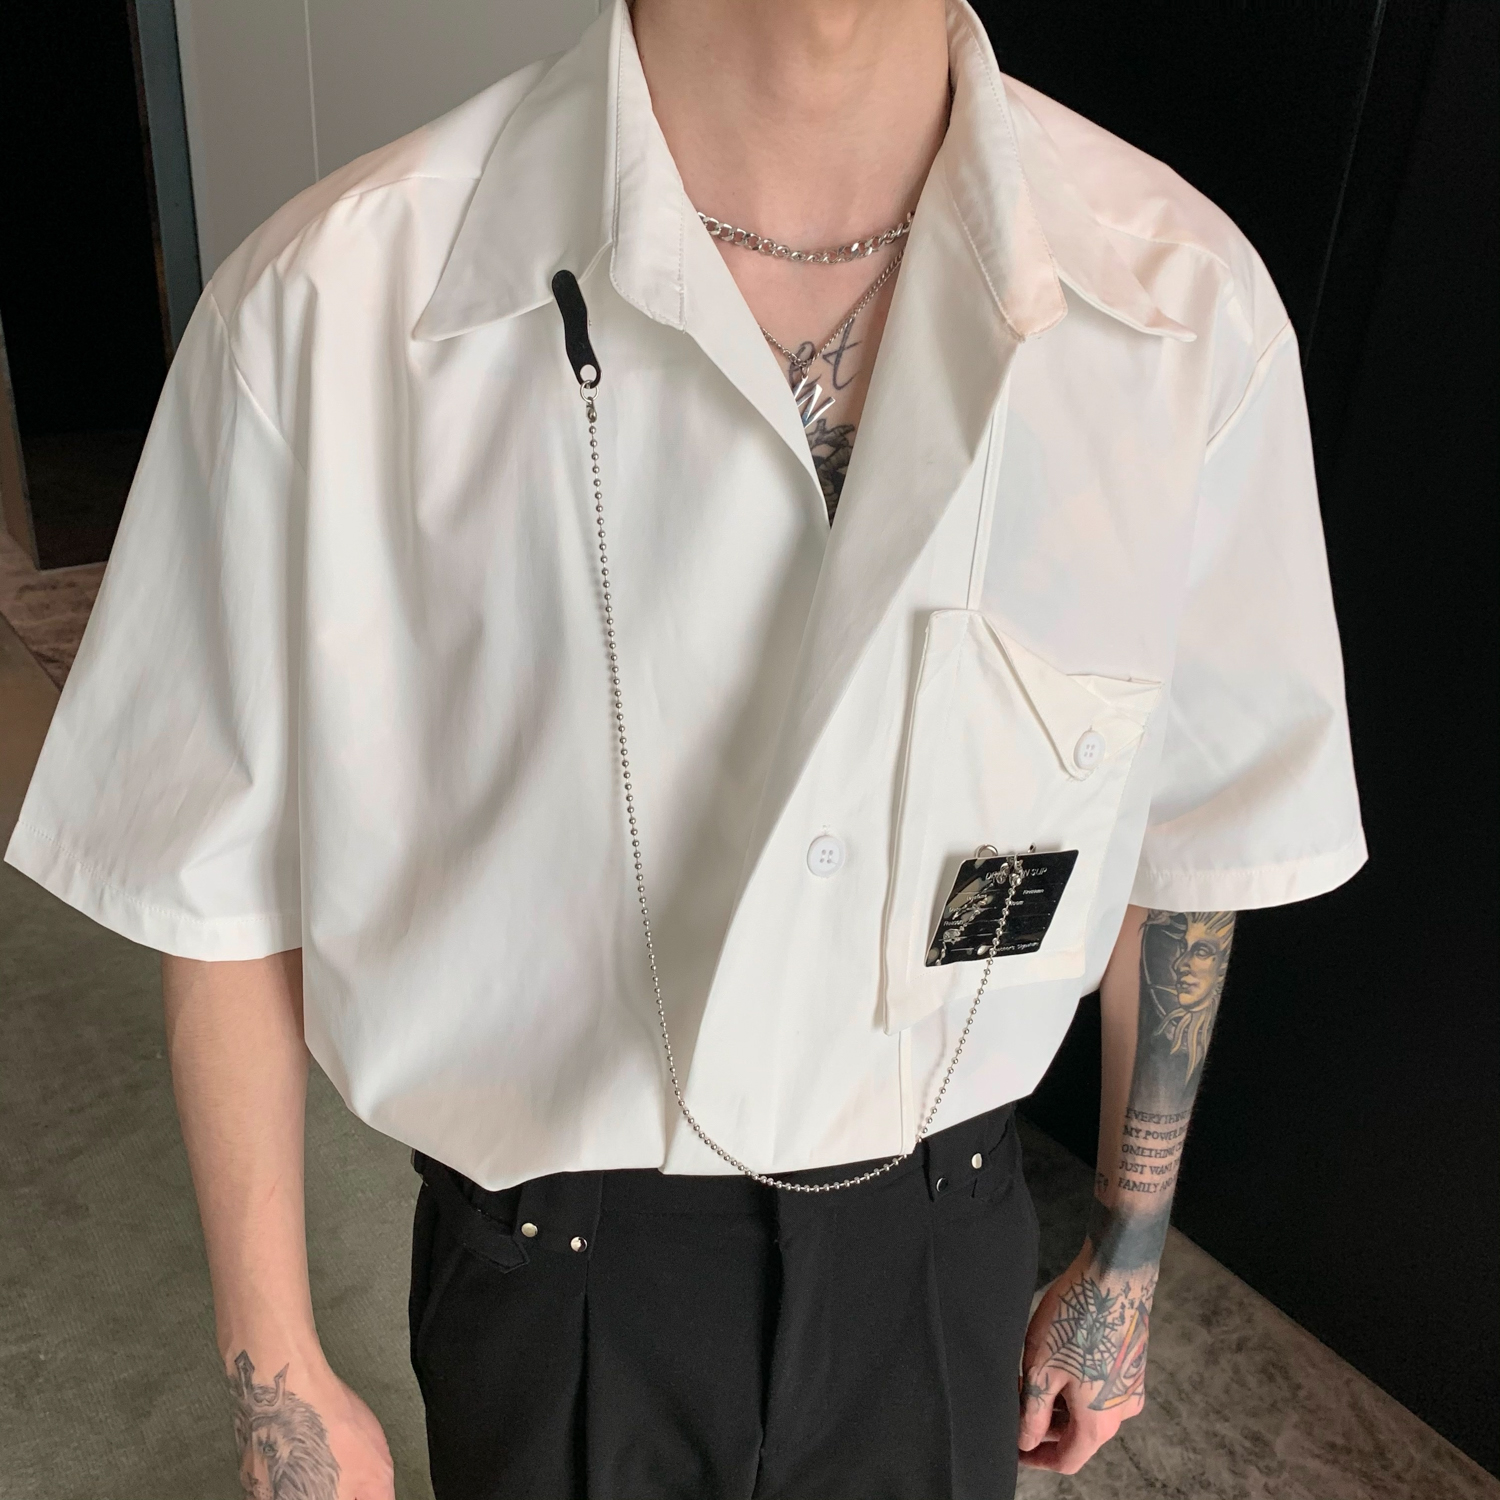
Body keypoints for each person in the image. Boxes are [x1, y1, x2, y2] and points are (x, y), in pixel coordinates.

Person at [4, 0, 1366, 1494]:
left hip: (939, 1239)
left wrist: (1128, 1251)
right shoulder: (330, 306)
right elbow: (213, 883)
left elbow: (1186, 840)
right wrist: (274, 1365)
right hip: (555, 1271)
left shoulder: (1182, 314)